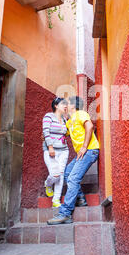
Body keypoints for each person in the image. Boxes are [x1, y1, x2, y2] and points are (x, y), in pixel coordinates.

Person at [47, 96, 100, 225]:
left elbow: (90, 127)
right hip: (82, 154)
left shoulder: (80, 113)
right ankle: (81, 198)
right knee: (67, 174)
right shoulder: (69, 121)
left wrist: (84, 147)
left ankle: (65, 214)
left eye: (67, 103)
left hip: (89, 151)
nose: (65, 105)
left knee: (72, 178)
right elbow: (63, 133)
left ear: (73, 105)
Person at [42, 97, 69, 208]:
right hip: (51, 150)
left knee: (61, 175)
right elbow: (45, 131)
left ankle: (56, 200)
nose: (66, 106)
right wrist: (50, 147)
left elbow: (67, 134)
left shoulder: (65, 119)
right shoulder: (48, 116)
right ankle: (47, 184)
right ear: (56, 106)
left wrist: (68, 121)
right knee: (55, 174)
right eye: (63, 104)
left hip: (64, 150)